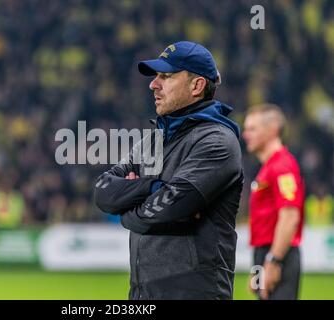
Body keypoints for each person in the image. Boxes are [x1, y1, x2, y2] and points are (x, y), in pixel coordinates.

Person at [94, 41, 243, 299]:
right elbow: (102, 191)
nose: (153, 84)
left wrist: (127, 214)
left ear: (196, 86)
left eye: (166, 76)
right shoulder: (153, 140)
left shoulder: (217, 141)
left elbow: (170, 208)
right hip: (143, 294)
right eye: (155, 77)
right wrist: (152, 187)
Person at [243, 104, 305, 300]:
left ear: (272, 130)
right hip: (265, 253)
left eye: (252, 129)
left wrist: (274, 261)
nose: (245, 135)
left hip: (279, 255)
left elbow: (290, 216)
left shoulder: (282, 166)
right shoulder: (268, 167)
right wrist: (258, 265)